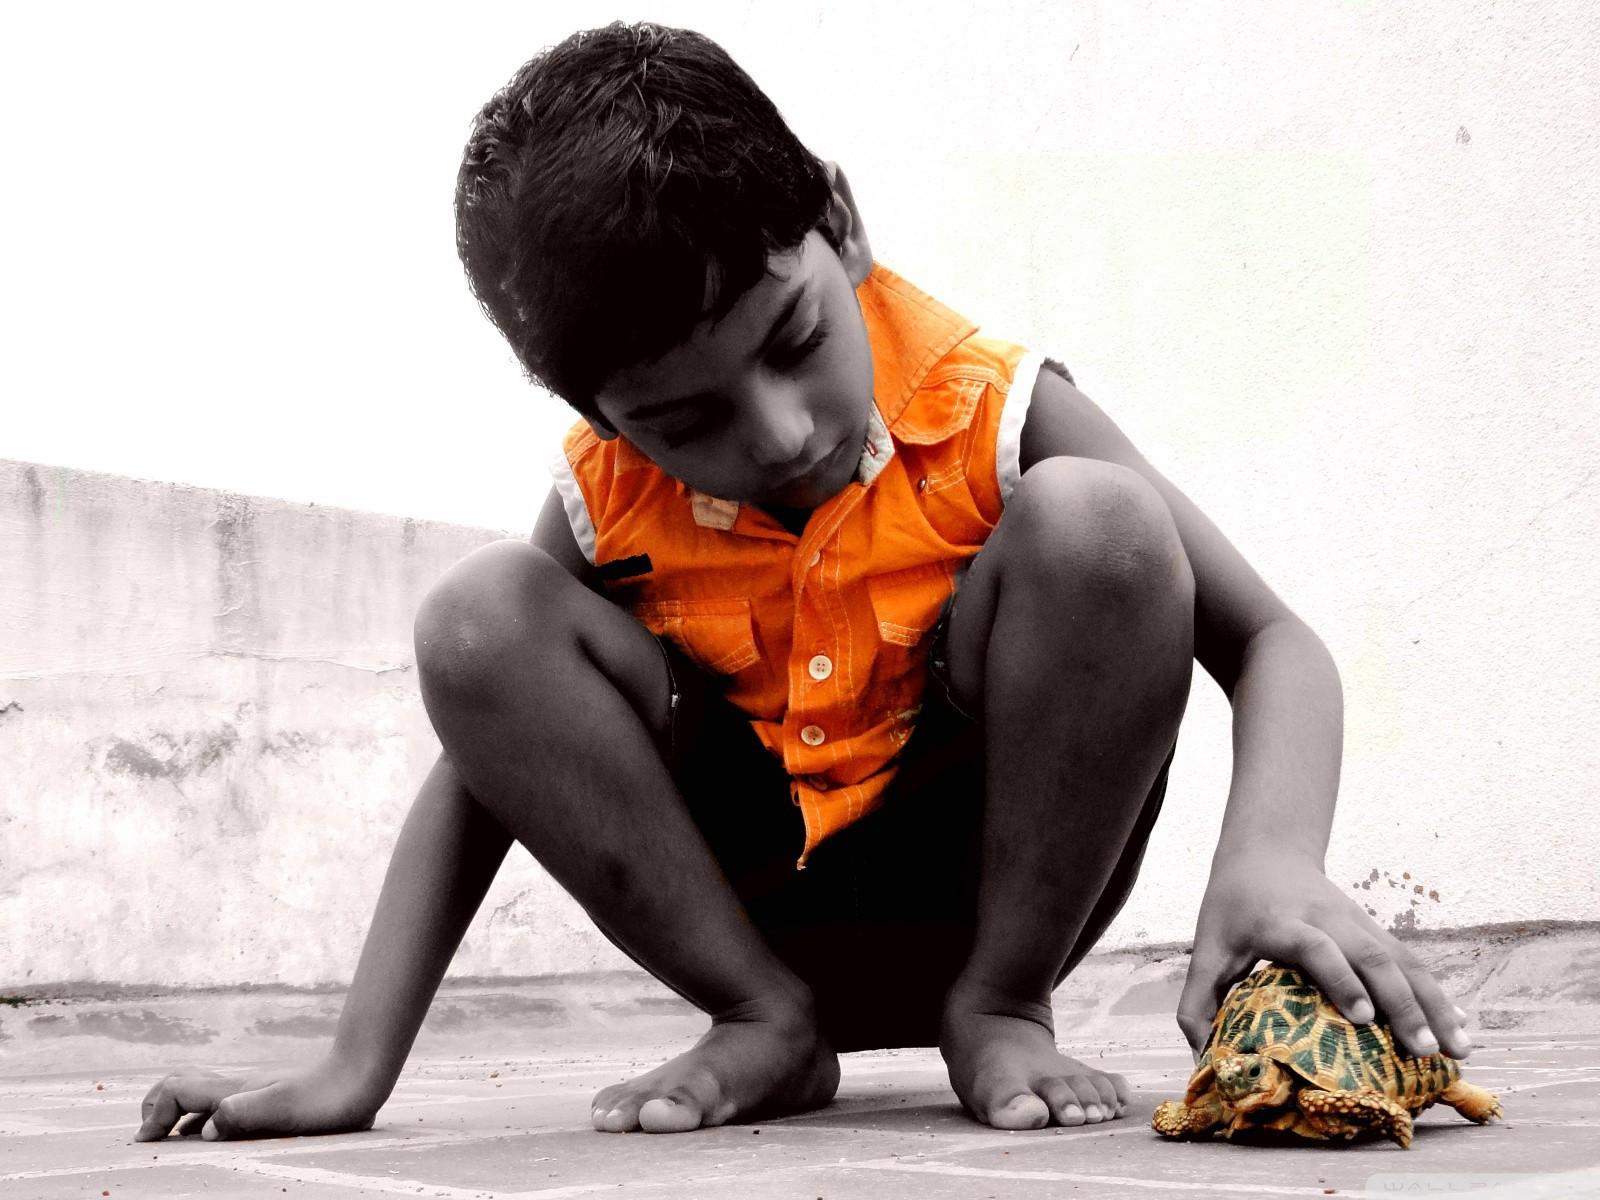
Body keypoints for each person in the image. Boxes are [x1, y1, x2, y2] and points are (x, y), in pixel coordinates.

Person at [135, 21, 1471, 1141]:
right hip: (755, 916)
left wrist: (1272, 856)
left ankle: (1000, 1010)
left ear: (839, 222)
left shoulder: (988, 402)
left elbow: (1274, 642)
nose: (777, 434)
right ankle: (763, 1022)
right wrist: (353, 1067)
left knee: (1100, 524)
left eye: (793, 339)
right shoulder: (607, 493)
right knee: (477, 620)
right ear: (602, 417)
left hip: (989, 889)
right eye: (684, 419)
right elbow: (489, 741)